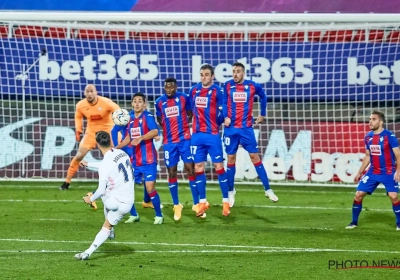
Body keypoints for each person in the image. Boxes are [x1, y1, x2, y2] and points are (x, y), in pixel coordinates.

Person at [222, 62, 278, 206]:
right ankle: (230, 191)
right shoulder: (227, 85)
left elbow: (263, 97)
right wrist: (225, 117)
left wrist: (262, 114)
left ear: (243, 73)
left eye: (238, 71)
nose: (235, 74)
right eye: (233, 71)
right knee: (230, 158)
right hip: (231, 129)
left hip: (246, 128)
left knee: (254, 156)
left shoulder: (253, 86)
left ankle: (267, 189)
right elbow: (223, 102)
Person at [74, 131, 134, 260]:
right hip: (128, 201)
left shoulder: (105, 165)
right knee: (106, 195)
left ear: (97, 144)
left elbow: (101, 189)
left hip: (116, 202)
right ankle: (110, 231)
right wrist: (89, 164)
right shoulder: (122, 153)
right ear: (111, 141)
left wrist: (90, 199)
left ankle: (88, 252)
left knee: (102, 194)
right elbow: (108, 165)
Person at [346, 110, 400, 230]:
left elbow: (398, 155)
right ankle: (354, 222)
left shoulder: (389, 136)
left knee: (393, 196)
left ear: (381, 122)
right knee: (358, 195)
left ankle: (399, 224)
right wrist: (360, 172)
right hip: (373, 171)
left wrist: (398, 171)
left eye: (373, 119)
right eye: (370, 119)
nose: (370, 121)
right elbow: (368, 155)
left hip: (388, 172)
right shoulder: (368, 136)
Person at [60, 84, 119, 191]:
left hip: (108, 130)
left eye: (92, 91)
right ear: (84, 93)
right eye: (87, 91)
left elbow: (118, 110)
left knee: (117, 155)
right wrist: (78, 130)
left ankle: (125, 178)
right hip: (91, 132)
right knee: (79, 156)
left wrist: (121, 125)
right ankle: (67, 181)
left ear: (96, 92)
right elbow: (78, 117)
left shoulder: (106, 102)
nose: (90, 94)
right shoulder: (80, 105)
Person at [116, 92, 163, 225]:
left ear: (144, 104)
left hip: (148, 160)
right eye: (135, 101)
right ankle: (134, 215)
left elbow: (155, 132)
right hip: (134, 161)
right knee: (126, 188)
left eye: (140, 101)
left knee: (150, 188)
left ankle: (159, 215)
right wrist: (118, 147)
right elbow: (128, 138)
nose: (137, 103)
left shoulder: (147, 116)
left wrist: (141, 137)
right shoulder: (129, 118)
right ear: (132, 103)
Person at [188, 64, 230, 217]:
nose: (203, 77)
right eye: (201, 74)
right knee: (198, 167)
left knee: (219, 166)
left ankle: (226, 201)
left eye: (206, 74)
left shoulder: (218, 91)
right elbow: (190, 110)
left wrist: (224, 118)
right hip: (197, 135)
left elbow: (223, 107)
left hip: (212, 135)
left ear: (212, 76)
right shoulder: (193, 90)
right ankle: (202, 202)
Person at [155, 77, 198, 221]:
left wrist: (184, 127)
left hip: (185, 139)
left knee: (190, 169)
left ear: (176, 87)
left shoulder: (184, 98)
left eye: (171, 87)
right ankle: (176, 204)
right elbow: (159, 118)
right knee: (171, 172)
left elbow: (190, 113)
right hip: (169, 142)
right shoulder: (159, 102)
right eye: (166, 87)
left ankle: (197, 203)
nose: (169, 89)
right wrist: (167, 129)